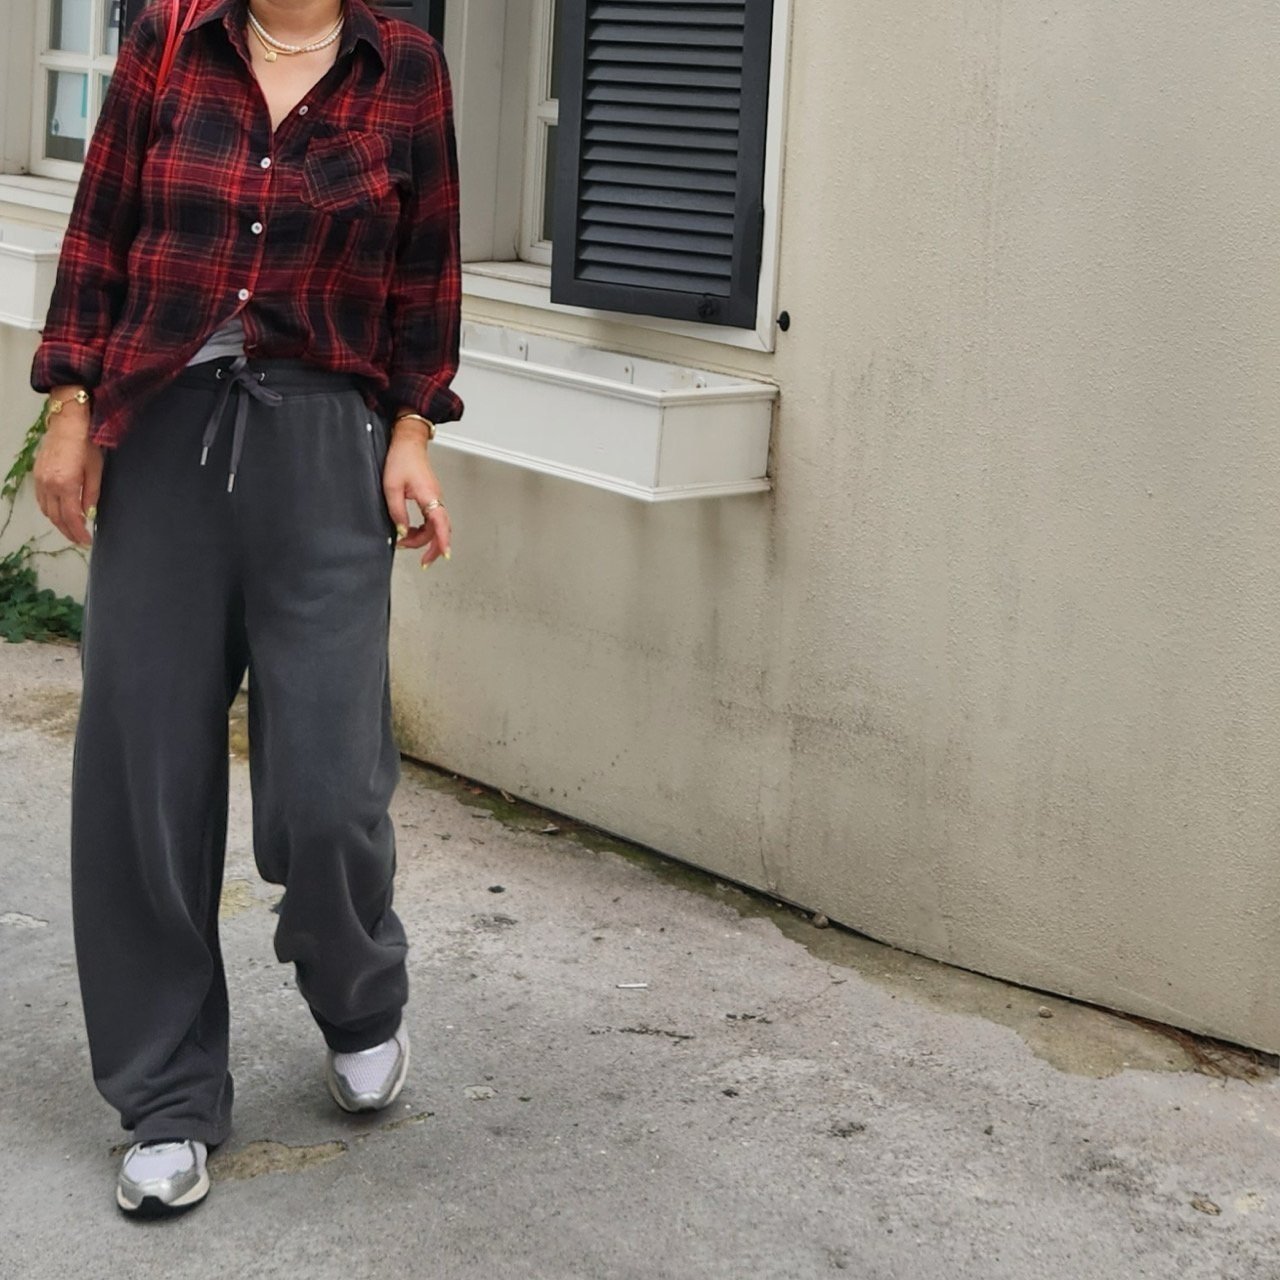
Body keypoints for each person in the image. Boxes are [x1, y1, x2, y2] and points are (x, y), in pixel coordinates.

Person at [30, 0, 462, 1218]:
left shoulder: (404, 68)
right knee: (146, 778)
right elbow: (100, 230)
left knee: (328, 784)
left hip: (326, 448)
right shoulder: (167, 38)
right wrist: (70, 407)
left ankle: (358, 991)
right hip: (163, 434)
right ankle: (167, 1094)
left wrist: (413, 431)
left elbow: (426, 275)